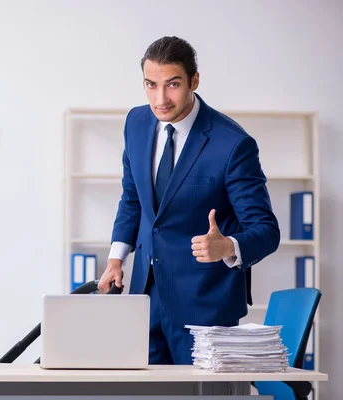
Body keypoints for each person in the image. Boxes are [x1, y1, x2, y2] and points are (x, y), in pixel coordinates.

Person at [97, 36, 280, 365]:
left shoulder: (232, 144)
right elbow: (133, 197)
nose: (160, 99)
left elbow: (266, 230)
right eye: (151, 85)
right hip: (145, 300)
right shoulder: (137, 123)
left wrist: (227, 247)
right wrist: (116, 258)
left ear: (194, 81)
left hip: (205, 309)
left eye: (173, 85)